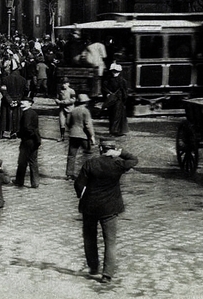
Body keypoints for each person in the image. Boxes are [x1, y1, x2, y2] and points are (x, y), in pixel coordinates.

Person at [75, 139, 139, 282]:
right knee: (110, 241)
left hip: (90, 207)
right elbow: (134, 160)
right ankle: (107, 274)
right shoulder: (118, 164)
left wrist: (81, 196)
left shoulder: (90, 163)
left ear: (100, 149)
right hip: (110, 208)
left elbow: (79, 184)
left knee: (89, 238)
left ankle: (93, 267)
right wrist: (121, 152)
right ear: (112, 150)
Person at [65, 93, 95, 180]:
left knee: (71, 155)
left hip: (73, 134)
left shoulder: (73, 110)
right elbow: (88, 125)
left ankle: (69, 174)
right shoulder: (86, 111)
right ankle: (89, 172)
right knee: (88, 153)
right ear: (86, 102)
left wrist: (72, 128)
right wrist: (92, 136)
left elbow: (67, 122)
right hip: (83, 135)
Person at [14, 100, 41, 188]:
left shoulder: (27, 114)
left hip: (27, 140)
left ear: (30, 103)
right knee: (33, 161)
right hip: (34, 140)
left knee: (22, 161)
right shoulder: (32, 112)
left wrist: (19, 134)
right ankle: (35, 182)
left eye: (24, 102)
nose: (21, 102)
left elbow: (27, 128)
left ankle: (19, 181)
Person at [104, 64, 131, 137]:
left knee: (112, 115)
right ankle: (116, 131)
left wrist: (108, 95)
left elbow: (104, 89)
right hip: (119, 100)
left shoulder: (107, 80)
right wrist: (124, 100)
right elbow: (125, 92)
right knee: (118, 116)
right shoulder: (122, 81)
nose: (114, 73)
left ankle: (112, 130)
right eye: (114, 71)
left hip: (111, 100)